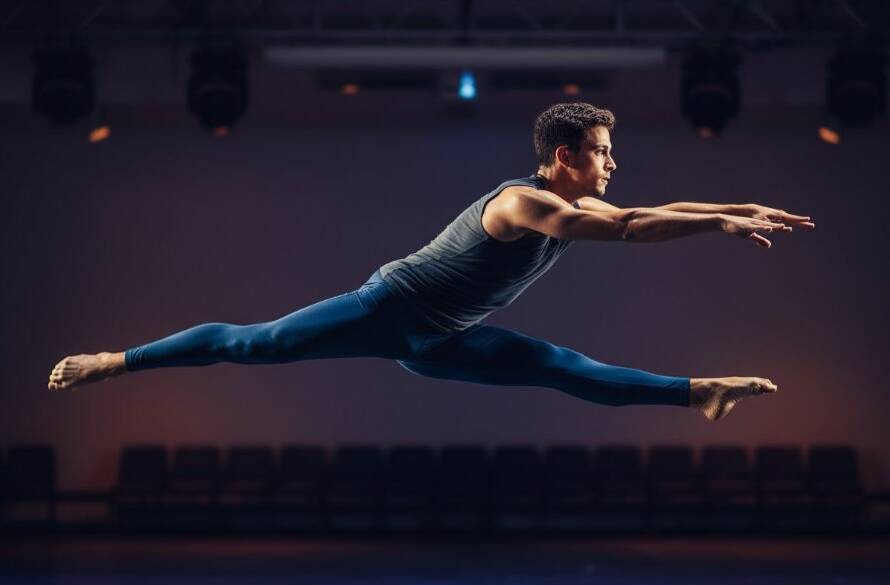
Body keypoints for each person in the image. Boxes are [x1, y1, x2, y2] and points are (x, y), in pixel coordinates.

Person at [47, 103, 815, 421]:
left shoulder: (574, 204)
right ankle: (114, 360)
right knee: (252, 343)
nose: (614, 165)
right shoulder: (524, 204)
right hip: (387, 308)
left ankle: (699, 393)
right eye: (605, 154)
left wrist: (732, 210)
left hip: (442, 341)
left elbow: (639, 214)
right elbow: (633, 228)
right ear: (563, 157)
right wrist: (719, 218)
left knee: (562, 366)